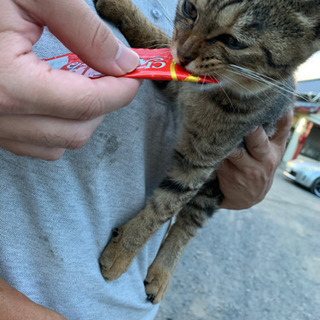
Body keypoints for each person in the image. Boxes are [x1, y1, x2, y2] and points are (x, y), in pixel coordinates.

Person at [0, 0, 293, 319]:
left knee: (201, 178)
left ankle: (172, 252)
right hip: (24, 295)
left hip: (131, 304)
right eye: (190, 11)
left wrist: (248, 191)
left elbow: (170, 70)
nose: (186, 48)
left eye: (232, 40)